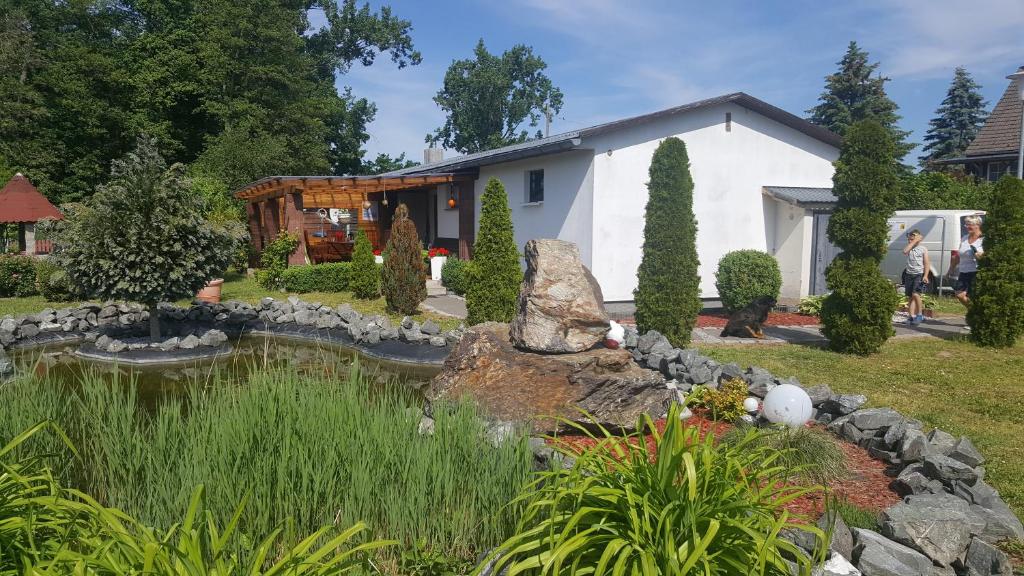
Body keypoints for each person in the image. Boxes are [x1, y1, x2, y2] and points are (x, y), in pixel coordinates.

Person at [949, 215, 984, 309]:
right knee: (959, 295)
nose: (967, 227)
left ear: (978, 225)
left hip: (976, 272)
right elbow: (957, 256)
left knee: (974, 296)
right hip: (964, 271)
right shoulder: (964, 238)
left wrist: (978, 254)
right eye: (966, 224)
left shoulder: (983, 239)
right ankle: (975, 311)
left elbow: (987, 256)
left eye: (970, 225)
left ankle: (975, 314)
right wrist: (951, 269)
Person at [902, 229, 930, 324]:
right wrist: (913, 241)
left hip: (918, 274)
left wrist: (925, 276)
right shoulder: (909, 248)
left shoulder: (923, 249)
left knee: (916, 294)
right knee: (910, 296)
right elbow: (905, 251)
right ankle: (911, 316)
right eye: (909, 239)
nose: (910, 241)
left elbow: (926, 263)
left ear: (919, 239)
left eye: (912, 239)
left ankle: (920, 314)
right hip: (909, 274)